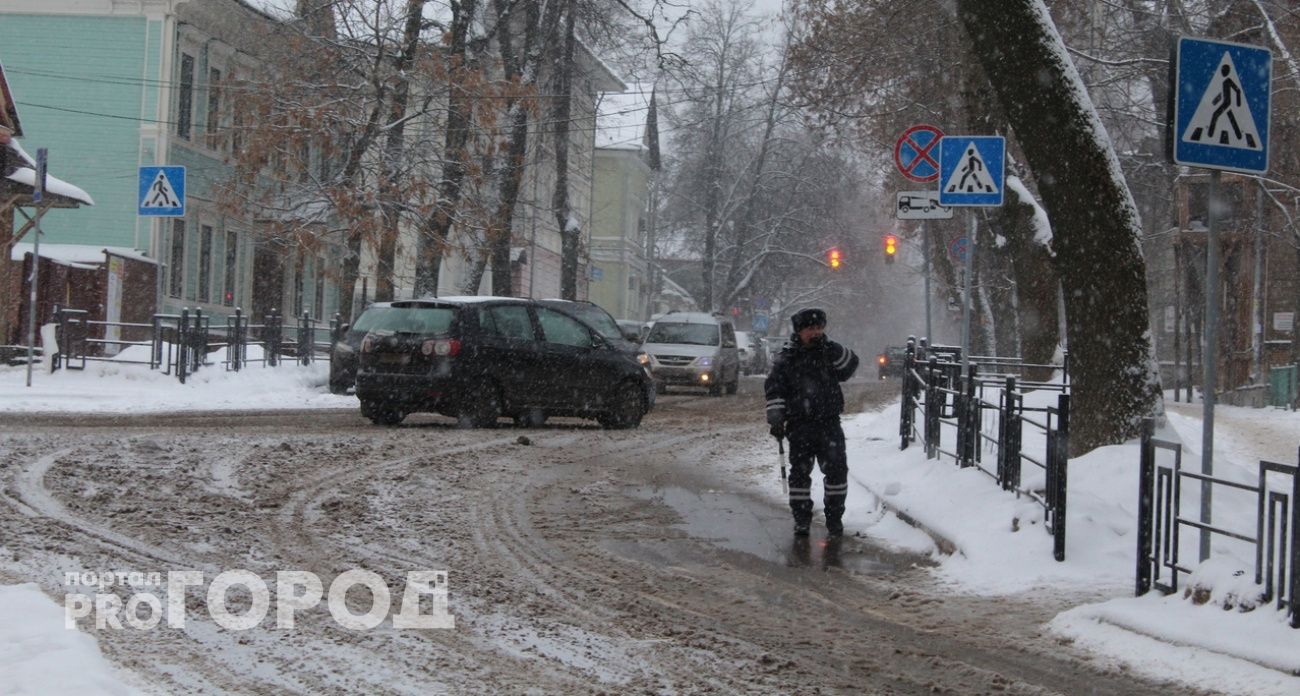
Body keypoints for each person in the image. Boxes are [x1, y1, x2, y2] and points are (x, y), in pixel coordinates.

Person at [764, 308, 859, 537]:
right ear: (799, 331)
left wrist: (831, 346)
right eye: (810, 329)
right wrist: (776, 417)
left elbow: (851, 365)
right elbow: (774, 388)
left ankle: (834, 518)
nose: (815, 332)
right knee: (800, 475)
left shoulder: (828, 352)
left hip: (829, 424)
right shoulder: (787, 358)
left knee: (837, 472)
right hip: (800, 425)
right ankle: (801, 519)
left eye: (819, 328)